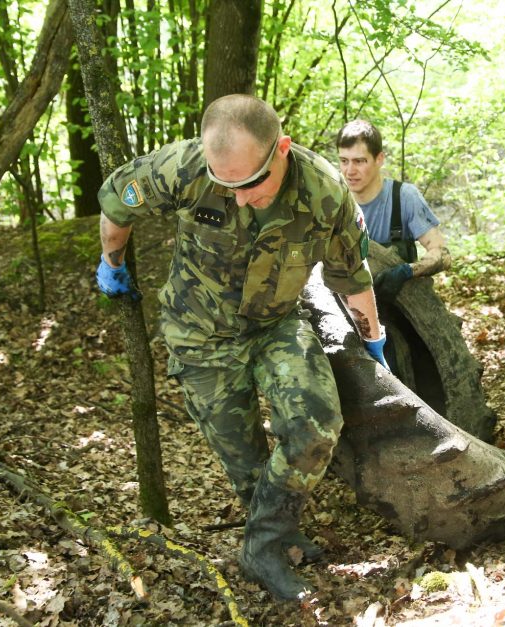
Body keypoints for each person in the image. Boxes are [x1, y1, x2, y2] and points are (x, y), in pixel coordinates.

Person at [95, 95, 387, 602]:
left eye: (251, 183)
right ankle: (272, 542)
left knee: (315, 430)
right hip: (199, 335)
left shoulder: (325, 192)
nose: (238, 197)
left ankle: (263, 545)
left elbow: (351, 275)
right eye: (225, 184)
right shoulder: (182, 167)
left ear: (282, 150)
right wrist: (112, 261)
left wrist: (373, 339)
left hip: (276, 324)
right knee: (247, 464)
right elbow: (117, 202)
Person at [335, 120, 451, 301]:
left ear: (379, 159)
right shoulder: (333, 202)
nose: (349, 171)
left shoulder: (404, 197)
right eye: (344, 161)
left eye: (359, 161)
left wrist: (408, 271)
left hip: (402, 308)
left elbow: (442, 254)